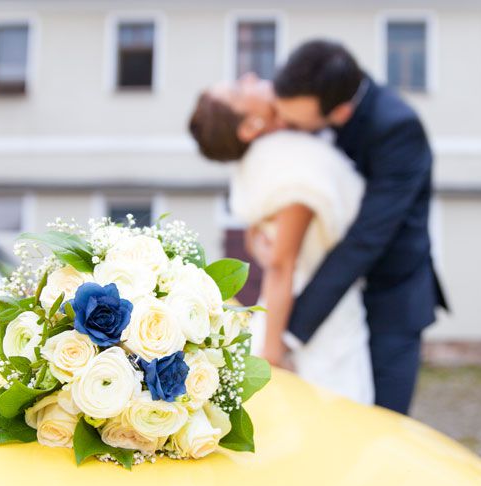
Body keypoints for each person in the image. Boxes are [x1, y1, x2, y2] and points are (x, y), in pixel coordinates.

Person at [272, 40, 448, 415]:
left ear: (340, 111)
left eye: (298, 124)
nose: (288, 129)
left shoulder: (398, 128)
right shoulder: (317, 101)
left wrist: (288, 331)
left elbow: (367, 238)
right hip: (332, 295)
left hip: (392, 298)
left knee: (382, 426)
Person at [188, 73, 374, 404]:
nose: (248, 77)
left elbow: (260, 241)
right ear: (249, 126)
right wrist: (273, 354)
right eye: (237, 88)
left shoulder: (271, 156)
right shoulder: (289, 164)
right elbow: (280, 264)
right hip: (312, 316)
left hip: (306, 303)